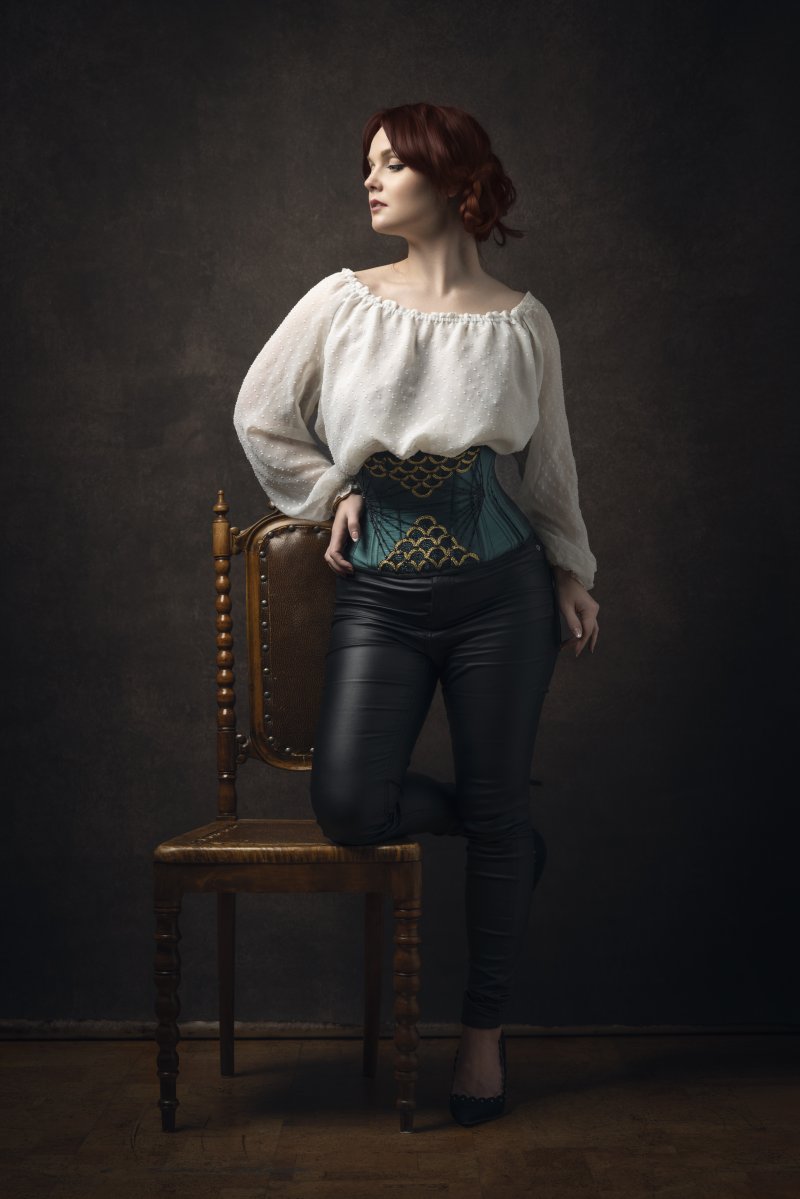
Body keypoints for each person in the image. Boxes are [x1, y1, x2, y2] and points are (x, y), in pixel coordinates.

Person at [233, 101, 600, 1126]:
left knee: (492, 817)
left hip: (502, 592)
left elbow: (547, 465)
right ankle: (502, 823)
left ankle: (480, 1045)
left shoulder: (521, 321)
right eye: (368, 163)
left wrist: (569, 568)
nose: (371, 179)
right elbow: (260, 414)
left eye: (392, 163)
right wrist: (327, 492)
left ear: (452, 181)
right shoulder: (340, 302)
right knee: (351, 803)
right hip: (382, 596)